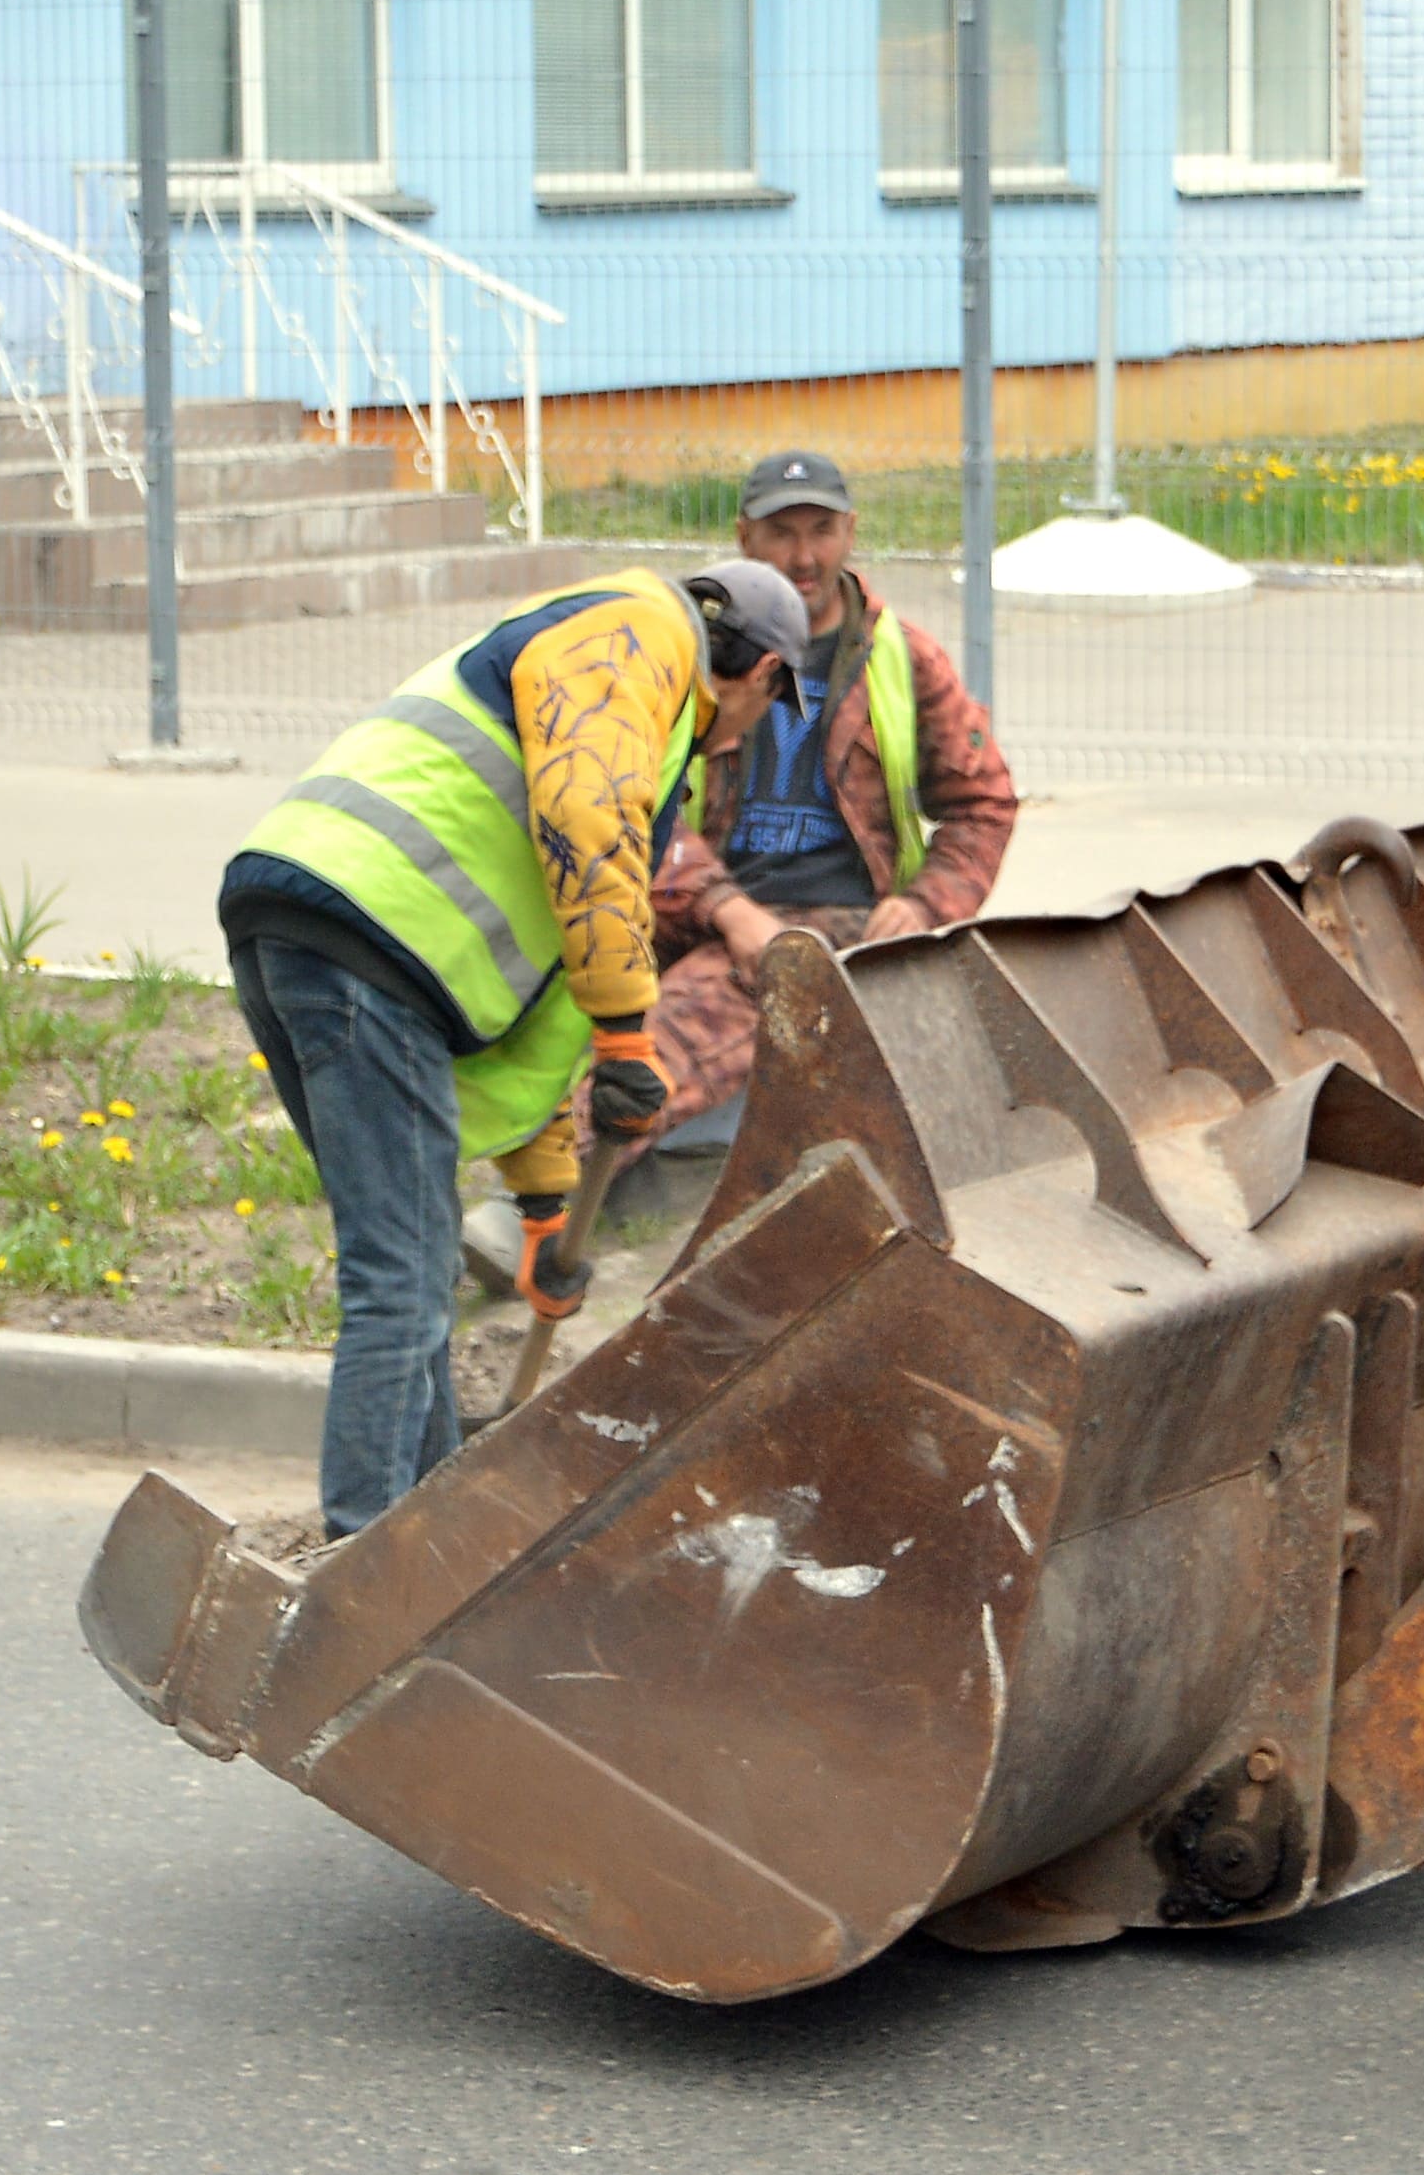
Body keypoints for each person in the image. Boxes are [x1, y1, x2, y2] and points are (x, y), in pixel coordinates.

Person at [218, 560, 810, 1537]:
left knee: (412, 1265)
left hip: (312, 921)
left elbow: (544, 1025)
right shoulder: (640, 636)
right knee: (401, 1278)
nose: (749, 734)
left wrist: (543, 1212)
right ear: (764, 674)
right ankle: (364, 1561)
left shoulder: (628, 698)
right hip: (372, 937)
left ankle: (425, 1527)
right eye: (768, 709)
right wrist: (629, 1027)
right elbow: (588, 824)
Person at [645, 450, 1018, 1146]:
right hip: (710, 919)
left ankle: (551, 1193)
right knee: (615, 1046)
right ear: (744, 538)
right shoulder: (699, 653)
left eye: (821, 530)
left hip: (849, 924)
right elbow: (640, 807)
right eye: (781, 533)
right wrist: (725, 908)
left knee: (655, 1064)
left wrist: (925, 906)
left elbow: (983, 805)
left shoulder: (901, 657)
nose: (803, 556)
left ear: (851, 530)